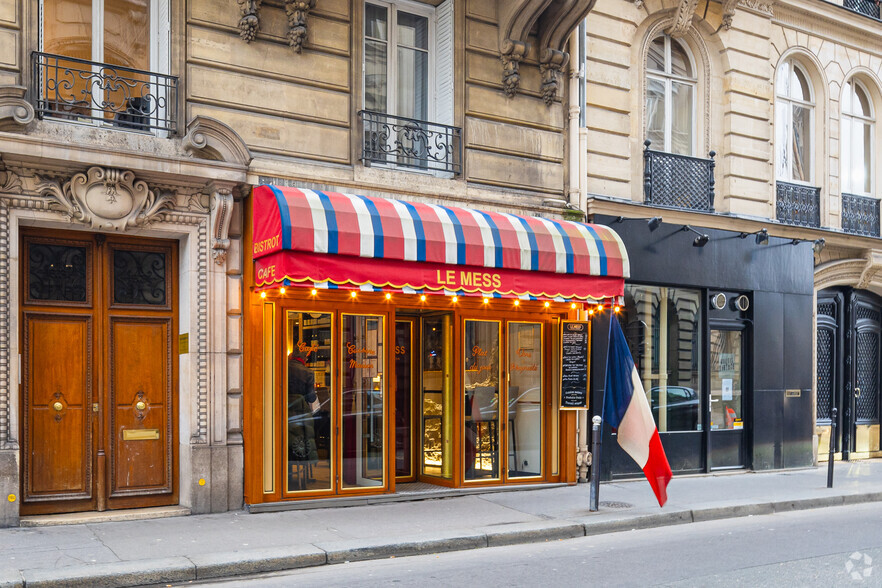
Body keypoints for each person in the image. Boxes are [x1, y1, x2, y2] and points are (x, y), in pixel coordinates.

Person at [288, 348, 318, 489]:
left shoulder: (282, 368)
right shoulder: (308, 372)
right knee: (303, 440)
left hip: (283, 412)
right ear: (304, 359)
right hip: (300, 413)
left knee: (287, 443)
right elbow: (311, 397)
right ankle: (303, 482)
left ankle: (286, 476)